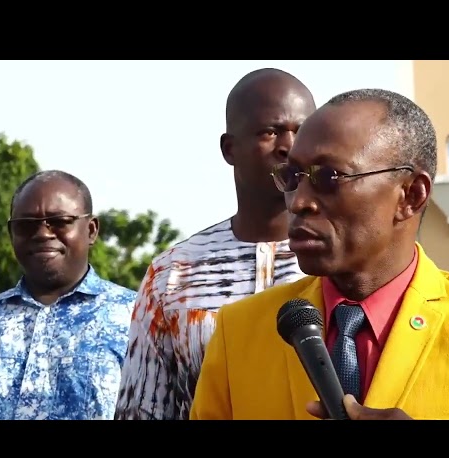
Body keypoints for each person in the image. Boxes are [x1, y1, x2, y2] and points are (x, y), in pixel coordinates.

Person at [189, 88, 449, 421]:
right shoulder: (237, 331)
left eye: (329, 177)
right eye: (293, 177)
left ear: (410, 195)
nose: (299, 202)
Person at [114, 68, 317, 420]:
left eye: (301, 133)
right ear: (229, 149)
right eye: (270, 131)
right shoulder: (173, 273)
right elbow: (142, 410)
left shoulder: (339, 260)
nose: (288, 147)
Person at [0, 170, 137, 420]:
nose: (42, 233)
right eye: (26, 225)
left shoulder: (137, 321)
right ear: (11, 233)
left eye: (59, 221)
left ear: (91, 230)